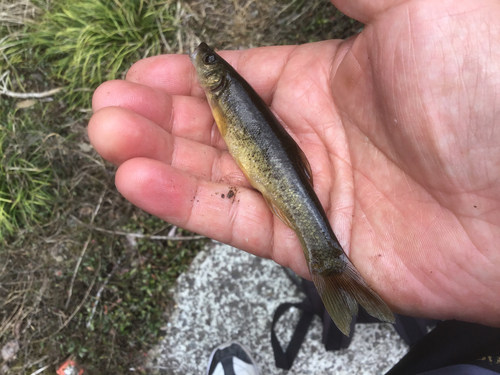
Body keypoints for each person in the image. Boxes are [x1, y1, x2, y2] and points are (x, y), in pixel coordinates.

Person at [88, 0, 500, 373]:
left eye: (210, 62)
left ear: (217, 77)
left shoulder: (226, 91)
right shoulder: (223, 91)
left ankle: (331, 268)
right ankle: (336, 278)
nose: (203, 61)